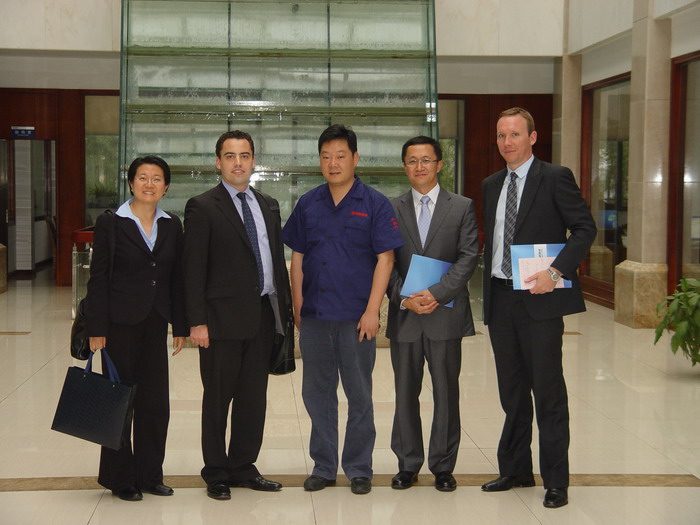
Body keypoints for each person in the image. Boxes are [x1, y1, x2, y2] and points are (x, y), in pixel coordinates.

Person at [480, 108, 596, 508]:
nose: (507, 142)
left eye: (515, 134)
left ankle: (556, 481)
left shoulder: (555, 177)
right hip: (500, 298)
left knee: (548, 393)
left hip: (540, 298)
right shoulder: (492, 184)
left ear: (532, 137)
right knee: (511, 392)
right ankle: (515, 469)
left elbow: (585, 229)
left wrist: (555, 270)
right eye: (501, 135)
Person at [282, 124, 403, 495]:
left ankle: (359, 468)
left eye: (340, 156)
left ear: (355, 158)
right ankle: (323, 466)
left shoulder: (375, 203)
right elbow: (297, 257)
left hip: (356, 318)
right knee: (317, 395)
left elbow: (386, 259)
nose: (333, 163)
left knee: (359, 395)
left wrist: (373, 311)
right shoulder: (309, 203)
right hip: (316, 316)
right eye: (326, 156)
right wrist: (298, 305)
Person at [182, 130, 292, 501]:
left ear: (253, 161)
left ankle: (243, 466)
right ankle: (216, 472)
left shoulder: (267, 204)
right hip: (219, 322)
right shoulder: (202, 206)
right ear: (218, 162)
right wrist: (196, 321)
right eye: (230, 156)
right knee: (218, 400)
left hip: (262, 316)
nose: (238, 163)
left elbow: (274, 260)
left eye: (244, 155)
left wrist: (284, 314)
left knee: (253, 399)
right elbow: (193, 269)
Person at [85, 155, 187, 501]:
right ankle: (120, 478)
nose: (149, 184)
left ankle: (150, 475)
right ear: (131, 183)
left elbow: (177, 279)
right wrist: (96, 327)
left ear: (166, 187)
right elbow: (98, 277)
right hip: (118, 325)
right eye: (142, 177)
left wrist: (181, 325)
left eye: (156, 178)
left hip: (156, 322)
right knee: (119, 402)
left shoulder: (172, 224)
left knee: (155, 404)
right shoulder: (111, 222)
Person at [386, 136, 479, 492]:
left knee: (446, 393)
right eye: (412, 160)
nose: (419, 166)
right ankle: (407, 464)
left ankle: (443, 466)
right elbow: (384, 261)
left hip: (445, 314)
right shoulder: (391, 209)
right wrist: (404, 298)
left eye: (426, 160)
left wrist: (438, 293)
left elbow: (468, 256)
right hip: (406, 315)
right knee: (404, 393)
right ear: (404, 167)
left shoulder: (462, 207)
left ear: (439, 164)